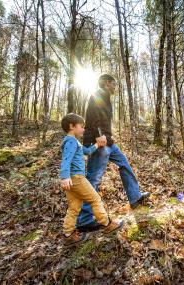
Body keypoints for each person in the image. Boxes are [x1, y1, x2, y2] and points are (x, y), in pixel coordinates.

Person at [76, 74, 151, 233]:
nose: (115, 87)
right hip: (99, 143)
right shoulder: (96, 95)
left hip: (108, 142)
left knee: (124, 163)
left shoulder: (106, 98)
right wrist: (99, 135)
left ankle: (135, 197)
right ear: (106, 83)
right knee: (94, 178)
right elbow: (91, 118)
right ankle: (84, 220)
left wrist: (108, 136)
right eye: (114, 84)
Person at [60, 113, 124, 245]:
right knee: (95, 199)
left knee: (74, 206)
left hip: (72, 180)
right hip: (76, 178)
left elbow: (87, 151)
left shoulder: (73, 141)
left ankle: (68, 234)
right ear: (72, 126)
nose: (84, 129)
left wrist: (96, 145)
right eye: (81, 127)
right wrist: (64, 177)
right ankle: (107, 224)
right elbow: (66, 159)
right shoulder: (71, 141)